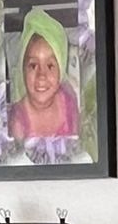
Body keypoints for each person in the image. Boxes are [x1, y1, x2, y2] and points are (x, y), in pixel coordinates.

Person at [7, 8, 80, 142]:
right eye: (33, 65)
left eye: (50, 66)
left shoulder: (68, 102)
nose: (41, 75)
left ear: (61, 70)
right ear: (23, 70)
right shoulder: (18, 121)